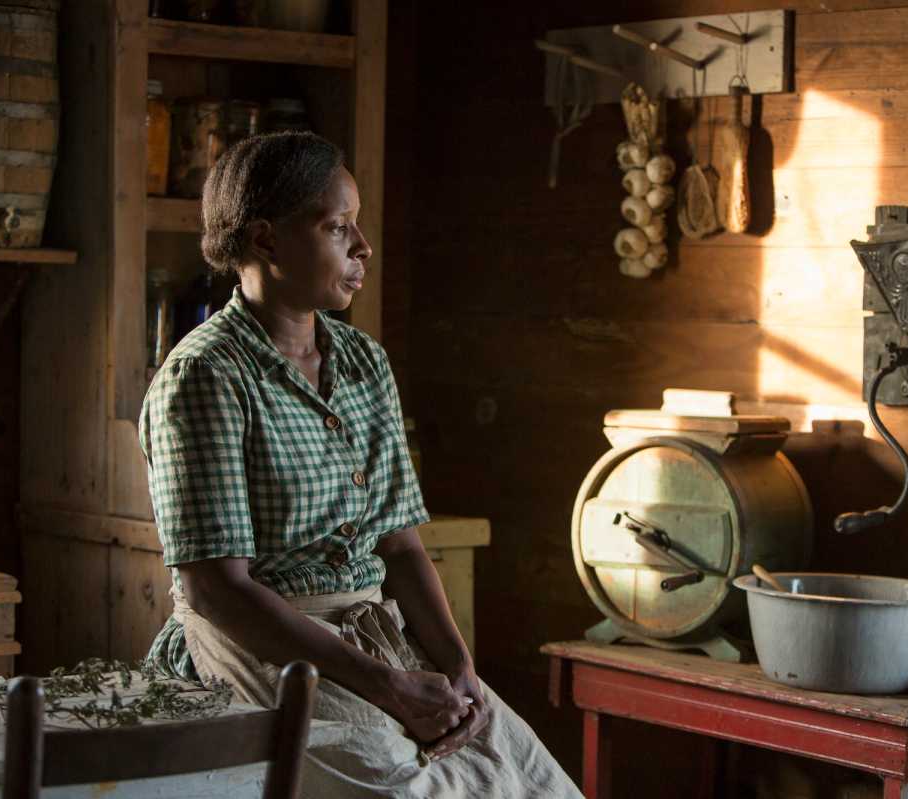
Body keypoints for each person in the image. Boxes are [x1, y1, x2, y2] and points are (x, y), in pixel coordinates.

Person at [141, 132, 580, 798]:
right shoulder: (204, 378)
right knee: (411, 789)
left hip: (377, 636)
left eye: (357, 224)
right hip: (264, 651)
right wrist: (389, 688)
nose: (362, 246)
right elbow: (216, 589)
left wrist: (458, 668)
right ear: (264, 241)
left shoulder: (363, 363)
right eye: (337, 226)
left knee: (537, 784)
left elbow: (399, 546)